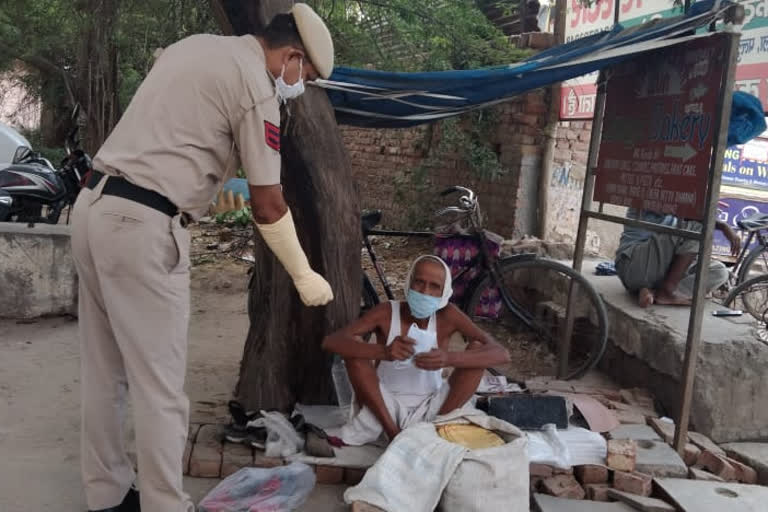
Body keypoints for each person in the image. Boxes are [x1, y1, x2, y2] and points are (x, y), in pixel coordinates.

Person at [70, 5, 335, 512]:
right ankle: (166, 505)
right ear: (292, 56)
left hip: (94, 207)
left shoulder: (194, 47)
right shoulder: (257, 85)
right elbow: (268, 203)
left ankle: (105, 495)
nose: (301, 84)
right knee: (160, 387)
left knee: (105, 371)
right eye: (307, 75)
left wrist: (202, 185)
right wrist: (304, 274)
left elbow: (176, 132)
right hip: (143, 228)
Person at [322, 255, 511, 446]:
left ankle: (436, 428)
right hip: (382, 407)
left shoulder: (448, 315)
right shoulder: (387, 312)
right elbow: (331, 342)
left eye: (434, 287)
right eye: (419, 283)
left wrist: (449, 358)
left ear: (444, 292)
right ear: (409, 283)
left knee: (477, 350)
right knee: (354, 347)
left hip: (432, 409)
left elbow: (501, 353)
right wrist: (384, 352)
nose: (425, 292)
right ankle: (394, 435)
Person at [614, 209, 741, 307]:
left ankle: (653, 293)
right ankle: (666, 291)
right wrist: (724, 226)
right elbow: (693, 215)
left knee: (719, 271)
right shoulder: (655, 190)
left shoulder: (677, 210)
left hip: (657, 272)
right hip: (632, 264)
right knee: (696, 229)